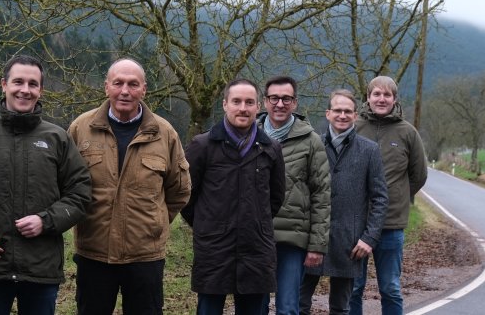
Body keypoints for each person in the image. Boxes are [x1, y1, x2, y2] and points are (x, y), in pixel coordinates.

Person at [0, 55, 92, 314]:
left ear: (41, 90)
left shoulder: (57, 138)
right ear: (4, 84)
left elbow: (80, 193)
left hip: (41, 267)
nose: (25, 90)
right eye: (18, 82)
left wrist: (45, 220)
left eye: (33, 84)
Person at [67, 58, 191, 314]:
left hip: (145, 255)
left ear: (144, 89)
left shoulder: (164, 133)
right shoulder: (81, 129)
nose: (125, 91)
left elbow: (179, 190)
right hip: (94, 252)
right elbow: (66, 184)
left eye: (133, 84)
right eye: (118, 83)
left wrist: (153, 222)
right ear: (106, 87)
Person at [181, 78, 286, 315]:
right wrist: (207, 226)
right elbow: (186, 196)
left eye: (249, 102)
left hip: (256, 249)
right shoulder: (203, 145)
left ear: (258, 106)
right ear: (225, 104)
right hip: (214, 249)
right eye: (236, 101)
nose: (243, 108)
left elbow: (276, 198)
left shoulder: (270, 148)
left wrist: (255, 222)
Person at [299, 89, 388, 315]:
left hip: (350, 242)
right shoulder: (312, 145)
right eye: (337, 110)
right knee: (298, 304)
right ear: (328, 113)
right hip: (311, 238)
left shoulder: (370, 150)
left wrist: (369, 238)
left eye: (348, 111)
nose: (342, 115)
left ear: (355, 115)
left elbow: (380, 198)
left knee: (340, 308)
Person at [348, 76, 428, 315]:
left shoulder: (408, 133)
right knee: (353, 288)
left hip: (391, 224)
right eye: (376, 94)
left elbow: (418, 175)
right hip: (355, 222)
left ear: (394, 99)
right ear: (368, 98)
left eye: (387, 95)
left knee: (390, 288)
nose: (381, 99)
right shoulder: (354, 127)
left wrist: (398, 196)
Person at [256, 76, 330, 315]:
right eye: (274, 98)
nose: (280, 104)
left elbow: (321, 195)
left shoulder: (311, 141)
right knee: (254, 307)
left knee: (288, 308)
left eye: (286, 98)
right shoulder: (248, 135)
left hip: (292, 240)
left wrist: (317, 245)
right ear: (264, 101)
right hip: (254, 236)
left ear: (295, 103)